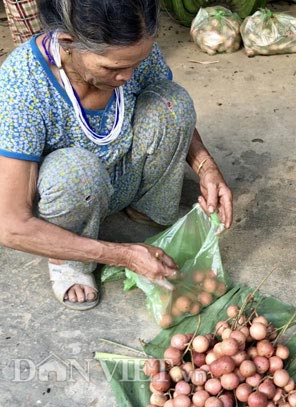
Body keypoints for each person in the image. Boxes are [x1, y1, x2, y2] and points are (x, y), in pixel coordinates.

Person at [0, 0, 233, 311]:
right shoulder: (21, 85)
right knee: (75, 170)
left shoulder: (132, 50)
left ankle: (145, 210)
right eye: (114, 68)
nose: (128, 76)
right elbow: (11, 225)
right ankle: (69, 259)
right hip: (72, 194)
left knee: (172, 100)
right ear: (68, 43)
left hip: (122, 173)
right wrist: (122, 255)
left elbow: (169, 106)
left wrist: (207, 167)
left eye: (136, 63)